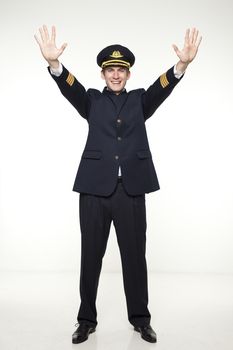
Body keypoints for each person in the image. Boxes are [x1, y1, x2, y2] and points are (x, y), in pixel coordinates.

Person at [34, 25, 202, 344]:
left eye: (120, 70)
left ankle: (140, 320)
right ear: (102, 74)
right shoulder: (91, 101)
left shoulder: (140, 101)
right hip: (94, 191)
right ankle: (86, 320)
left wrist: (182, 66)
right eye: (110, 69)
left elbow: (161, 88)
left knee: (135, 257)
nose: (115, 74)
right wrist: (55, 65)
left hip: (131, 191)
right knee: (90, 256)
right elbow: (70, 87)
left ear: (128, 73)